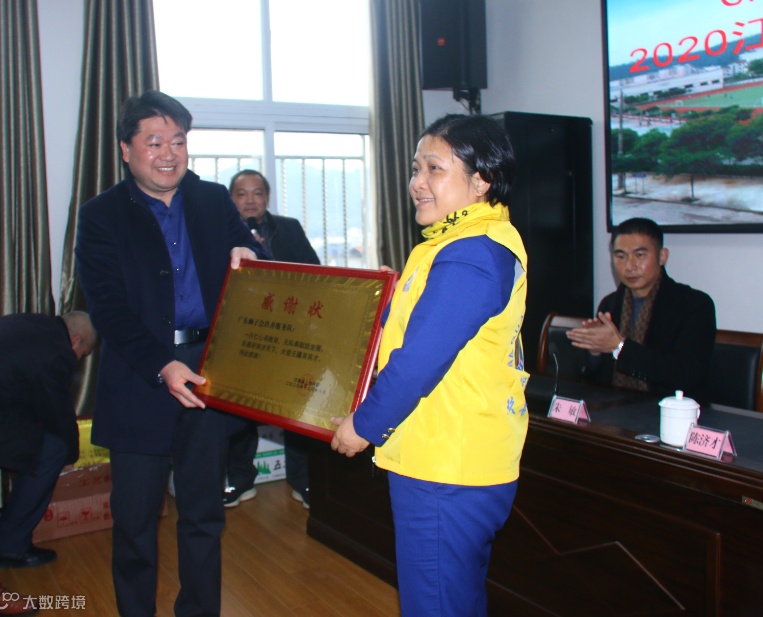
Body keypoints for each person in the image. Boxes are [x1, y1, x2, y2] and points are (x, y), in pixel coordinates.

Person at [74, 90, 268, 617]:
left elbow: (256, 256)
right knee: (135, 522)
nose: (168, 154)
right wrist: (161, 364)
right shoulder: (100, 215)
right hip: (140, 378)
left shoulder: (212, 200)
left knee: (204, 515)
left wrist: (251, 252)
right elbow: (108, 310)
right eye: (154, 141)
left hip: (206, 375)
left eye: (178, 141)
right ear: (126, 149)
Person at [330, 114, 529, 617]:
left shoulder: (472, 254)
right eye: (416, 169)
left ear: (481, 180)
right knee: (452, 600)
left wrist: (363, 426)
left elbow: (418, 361)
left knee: (436, 605)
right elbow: (418, 332)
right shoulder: (452, 243)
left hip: (448, 465)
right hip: (447, 455)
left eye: (434, 169)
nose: (418, 182)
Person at [0, 311, 95, 615]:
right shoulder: (58, 351)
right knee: (52, 451)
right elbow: (58, 412)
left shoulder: (33, 324)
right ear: (75, 340)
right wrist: (72, 456)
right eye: (82, 354)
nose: (78, 361)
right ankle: (8, 545)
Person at [224, 170, 321, 509]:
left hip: (289, 331)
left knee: (295, 408)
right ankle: (240, 480)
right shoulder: (222, 231)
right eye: (241, 194)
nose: (250, 200)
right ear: (231, 199)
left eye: (257, 193)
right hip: (243, 333)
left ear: (267, 198)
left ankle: (301, 480)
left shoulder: (288, 227)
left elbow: (314, 271)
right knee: (240, 411)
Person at [566, 217, 716, 402]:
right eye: (621, 256)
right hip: (614, 408)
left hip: (670, 411)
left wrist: (619, 346)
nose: (630, 266)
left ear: (662, 256)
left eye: (639, 255)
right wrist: (594, 351)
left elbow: (686, 374)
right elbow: (593, 378)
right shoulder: (610, 304)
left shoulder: (694, 305)